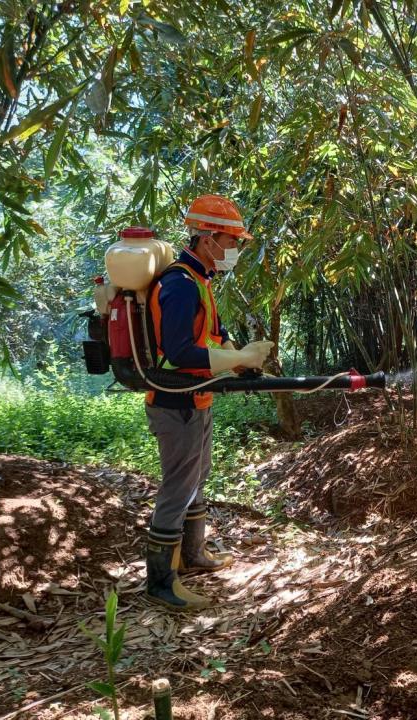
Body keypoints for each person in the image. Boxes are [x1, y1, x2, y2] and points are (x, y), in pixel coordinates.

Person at [144, 194, 273, 611]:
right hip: (174, 401)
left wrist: (240, 359)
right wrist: (236, 357)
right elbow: (180, 352)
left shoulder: (201, 280)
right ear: (206, 237)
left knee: (198, 474)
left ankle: (194, 554)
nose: (234, 249)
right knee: (178, 486)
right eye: (231, 240)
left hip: (195, 398)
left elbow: (213, 337)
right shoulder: (179, 284)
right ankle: (162, 582)